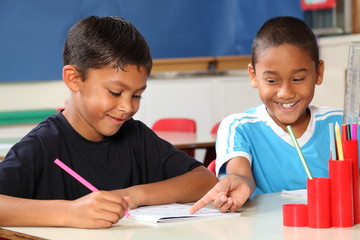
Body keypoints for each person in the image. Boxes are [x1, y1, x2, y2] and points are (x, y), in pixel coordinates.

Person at [0, 16, 218, 228]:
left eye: (137, 95)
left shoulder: (137, 137)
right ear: (73, 79)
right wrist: (69, 212)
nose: (128, 107)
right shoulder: (41, 145)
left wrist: (131, 196)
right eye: (115, 92)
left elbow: (206, 181)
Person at [189, 16, 342, 214]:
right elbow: (240, 174)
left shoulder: (342, 124)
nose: (286, 92)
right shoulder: (238, 127)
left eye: (298, 79)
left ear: (319, 72)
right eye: (271, 81)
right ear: (253, 76)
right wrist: (239, 181)